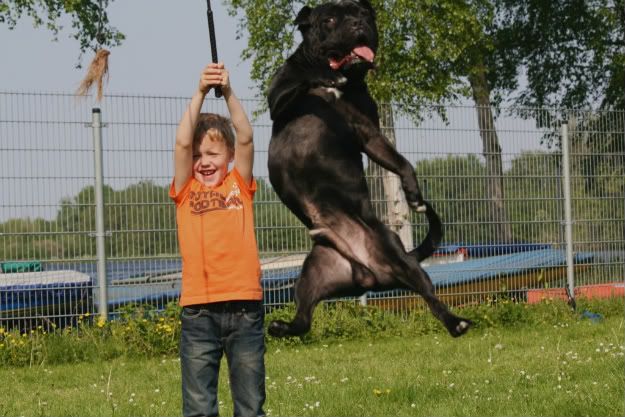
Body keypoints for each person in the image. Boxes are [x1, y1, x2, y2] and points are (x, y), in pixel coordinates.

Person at [170, 62, 265, 417]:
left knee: (251, 406)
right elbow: (181, 141)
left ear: (229, 158)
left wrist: (227, 92)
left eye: (212, 154)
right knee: (198, 407)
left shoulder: (239, 183)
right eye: (197, 156)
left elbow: (246, 135)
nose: (203, 162)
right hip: (199, 314)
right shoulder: (184, 189)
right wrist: (199, 91)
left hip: (245, 310)